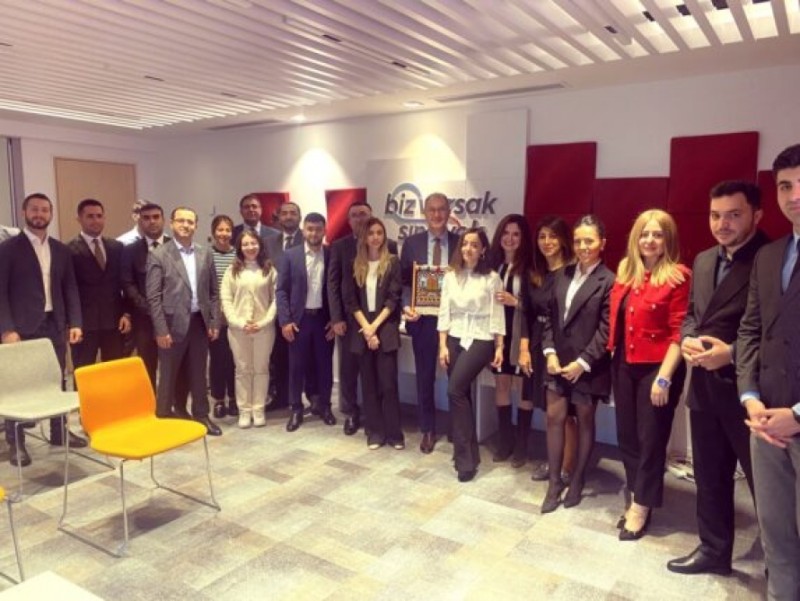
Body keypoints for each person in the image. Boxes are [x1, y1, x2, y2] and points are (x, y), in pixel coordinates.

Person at [666, 181, 767, 575]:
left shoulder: (770, 257)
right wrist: (688, 338)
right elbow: (693, 313)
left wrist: (732, 353)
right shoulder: (705, 259)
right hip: (705, 389)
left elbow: (775, 331)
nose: (722, 224)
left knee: (766, 486)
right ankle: (713, 550)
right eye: (715, 215)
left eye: (733, 215)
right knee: (709, 477)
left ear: (756, 215)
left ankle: (782, 565)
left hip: (752, 392)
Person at [737, 143, 800, 600]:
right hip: (764, 422)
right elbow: (750, 330)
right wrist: (750, 397)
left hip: (794, 418)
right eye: (784, 186)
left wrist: (796, 415)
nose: (794, 195)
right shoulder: (769, 255)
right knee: (776, 534)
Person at [608, 209, 691, 541]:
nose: (650, 240)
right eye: (645, 234)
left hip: (658, 368)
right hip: (624, 363)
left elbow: (679, 333)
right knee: (627, 437)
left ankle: (641, 507)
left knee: (651, 440)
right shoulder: (626, 272)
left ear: (668, 239)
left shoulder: (678, 276)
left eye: (657, 234)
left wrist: (664, 377)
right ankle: (636, 494)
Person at [0, 193, 87, 467]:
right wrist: (6, 329)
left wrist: (75, 322)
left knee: (57, 378)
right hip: (21, 327)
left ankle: (59, 432)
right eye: (34, 209)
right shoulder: (7, 249)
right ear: (24, 212)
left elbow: (70, 287)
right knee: (16, 385)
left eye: (45, 210)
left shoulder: (61, 250)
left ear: (51, 214)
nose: (39, 214)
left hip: (54, 324)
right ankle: (16, 443)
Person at [539, 215, 613, 512]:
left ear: (602, 243)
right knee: (554, 418)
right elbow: (549, 318)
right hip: (558, 363)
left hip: (589, 366)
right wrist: (549, 352)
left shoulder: (609, 280)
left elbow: (607, 330)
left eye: (589, 241)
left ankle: (578, 479)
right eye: (579, 241)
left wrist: (583, 362)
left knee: (584, 422)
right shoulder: (562, 274)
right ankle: (554, 483)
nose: (583, 246)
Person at [146, 206, 221, 436]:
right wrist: (161, 330)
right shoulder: (159, 254)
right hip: (171, 324)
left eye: (190, 222)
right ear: (172, 223)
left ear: (196, 226)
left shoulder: (205, 253)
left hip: (199, 323)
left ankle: (201, 414)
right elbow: (153, 296)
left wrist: (214, 322)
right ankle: (163, 415)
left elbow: (214, 292)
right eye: (181, 221)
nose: (186, 225)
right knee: (168, 374)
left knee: (199, 372)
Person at [438, 227, 505, 482]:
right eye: (465, 244)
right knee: (462, 394)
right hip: (454, 336)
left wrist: (499, 346)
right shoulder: (450, 276)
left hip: (481, 338)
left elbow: (497, 314)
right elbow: (444, 311)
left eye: (475, 245)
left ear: (483, 249)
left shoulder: (492, 278)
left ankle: (464, 460)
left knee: (454, 390)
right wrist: (443, 345)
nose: (468, 248)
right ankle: (468, 454)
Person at [328, 201, 399, 436]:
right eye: (355, 215)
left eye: (364, 214)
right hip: (350, 322)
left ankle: (381, 421)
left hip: (381, 322)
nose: (360, 218)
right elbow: (334, 284)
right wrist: (336, 318)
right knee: (349, 371)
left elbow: (393, 290)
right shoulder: (340, 247)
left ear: (371, 216)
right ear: (349, 221)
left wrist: (375, 325)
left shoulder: (390, 248)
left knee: (381, 377)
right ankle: (351, 413)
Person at [400, 192, 459, 454]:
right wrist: (406, 305)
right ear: (424, 213)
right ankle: (428, 429)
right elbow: (404, 281)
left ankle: (458, 428)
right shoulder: (411, 243)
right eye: (431, 210)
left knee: (456, 377)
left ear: (449, 212)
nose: (437, 214)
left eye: (441, 209)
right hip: (423, 321)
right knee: (424, 377)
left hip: (454, 322)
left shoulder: (461, 243)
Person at [521, 217, 579, 477]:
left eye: (553, 236)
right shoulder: (534, 273)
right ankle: (554, 461)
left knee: (567, 413)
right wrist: (524, 349)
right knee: (550, 410)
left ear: (563, 239)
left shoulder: (574, 272)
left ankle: (567, 467)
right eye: (542, 236)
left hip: (565, 346)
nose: (547, 242)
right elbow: (526, 313)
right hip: (538, 344)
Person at [342, 217, 403, 449]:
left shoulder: (393, 262)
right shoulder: (354, 264)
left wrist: (373, 327)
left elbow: (393, 299)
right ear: (364, 237)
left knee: (388, 384)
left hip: (384, 327)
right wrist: (366, 329)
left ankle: (394, 434)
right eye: (371, 233)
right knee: (368, 385)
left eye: (379, 232)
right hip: (362, 328)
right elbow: (350, 300)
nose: (375, 237)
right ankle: (375, 432)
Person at [276, 212, 336, 432]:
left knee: (325, 366)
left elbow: (337, 289)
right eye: (310, 229)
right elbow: (281, 290)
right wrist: (285, 321)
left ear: (324, 230)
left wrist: (335, 319)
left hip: (323, 320)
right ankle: (296, 409)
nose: (314, 233)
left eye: (318, 229)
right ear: (303, 230)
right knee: (296, 367)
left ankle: (325, 406)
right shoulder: (290, 256)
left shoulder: (331, 254)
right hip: (298, 321)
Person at [487, 214, 534, 464]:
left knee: (523, 389)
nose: (510, 239)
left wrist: (516, 302)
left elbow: (540, 306)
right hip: (498, 336)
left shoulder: (532, 267)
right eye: (506, 233)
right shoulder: (491, 264)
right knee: (502, 385)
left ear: (523, 238)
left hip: (522, 336)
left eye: (516, 234)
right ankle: (505, 442)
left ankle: (522, 445)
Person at [220, 230, 277, 428]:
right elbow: (226, 299)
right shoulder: (231, 271)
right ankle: (244, 410)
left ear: (260, 245)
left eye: (253, 243)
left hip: (263, 329)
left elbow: (276, 299)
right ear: (239, 247)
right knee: (242, 370)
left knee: (261, 369)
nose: (250, 247)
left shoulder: (269, 269)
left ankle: (258, 409)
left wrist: (264, 322)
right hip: (238, 330)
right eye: (245, 244)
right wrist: (238, 322)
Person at [67, 198, 131, 371]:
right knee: (84, 371)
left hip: (114, 322)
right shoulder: (69, 250)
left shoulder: (117, 247)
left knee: (114, 371)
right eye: (90, 216)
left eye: (99, 216)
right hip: (85, 324)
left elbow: (124, 284)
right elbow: (68, 289)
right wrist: (73, 323)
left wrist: (126, 314)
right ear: (79, 219)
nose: (95, 220)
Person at [265, 202, 314, 411]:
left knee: (308, 359)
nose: (288, 216)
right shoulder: (268, 243)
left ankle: (313, 398)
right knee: (279, 357)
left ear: (299, 217)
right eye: (284, 213)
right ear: (278, 217)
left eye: (293, 213)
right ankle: (282, 397)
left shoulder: (310, 238)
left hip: (304, 311)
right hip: (276, 310)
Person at [120, 202, 170, 385]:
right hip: (144, 318)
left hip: (171, 316)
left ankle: (172, 401)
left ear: (163, 220)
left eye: (156, 217)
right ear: (140, 221)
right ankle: (150, 401)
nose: (152, 221)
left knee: (173, 366)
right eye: (146, 218)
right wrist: (148, 308)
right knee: (147, 366)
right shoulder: (130, 250)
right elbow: (127, 283)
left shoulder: (175, 247)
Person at [209, 215, 238, 419]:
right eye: (220, 229)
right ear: (213, 232)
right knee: (218, 360)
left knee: (235, 360)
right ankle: (219, 399)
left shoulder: (238, 255)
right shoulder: (206, 255)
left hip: (235, 316)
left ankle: (235, 398)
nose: (224, 234)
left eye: (227, 230)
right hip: (216, 318)